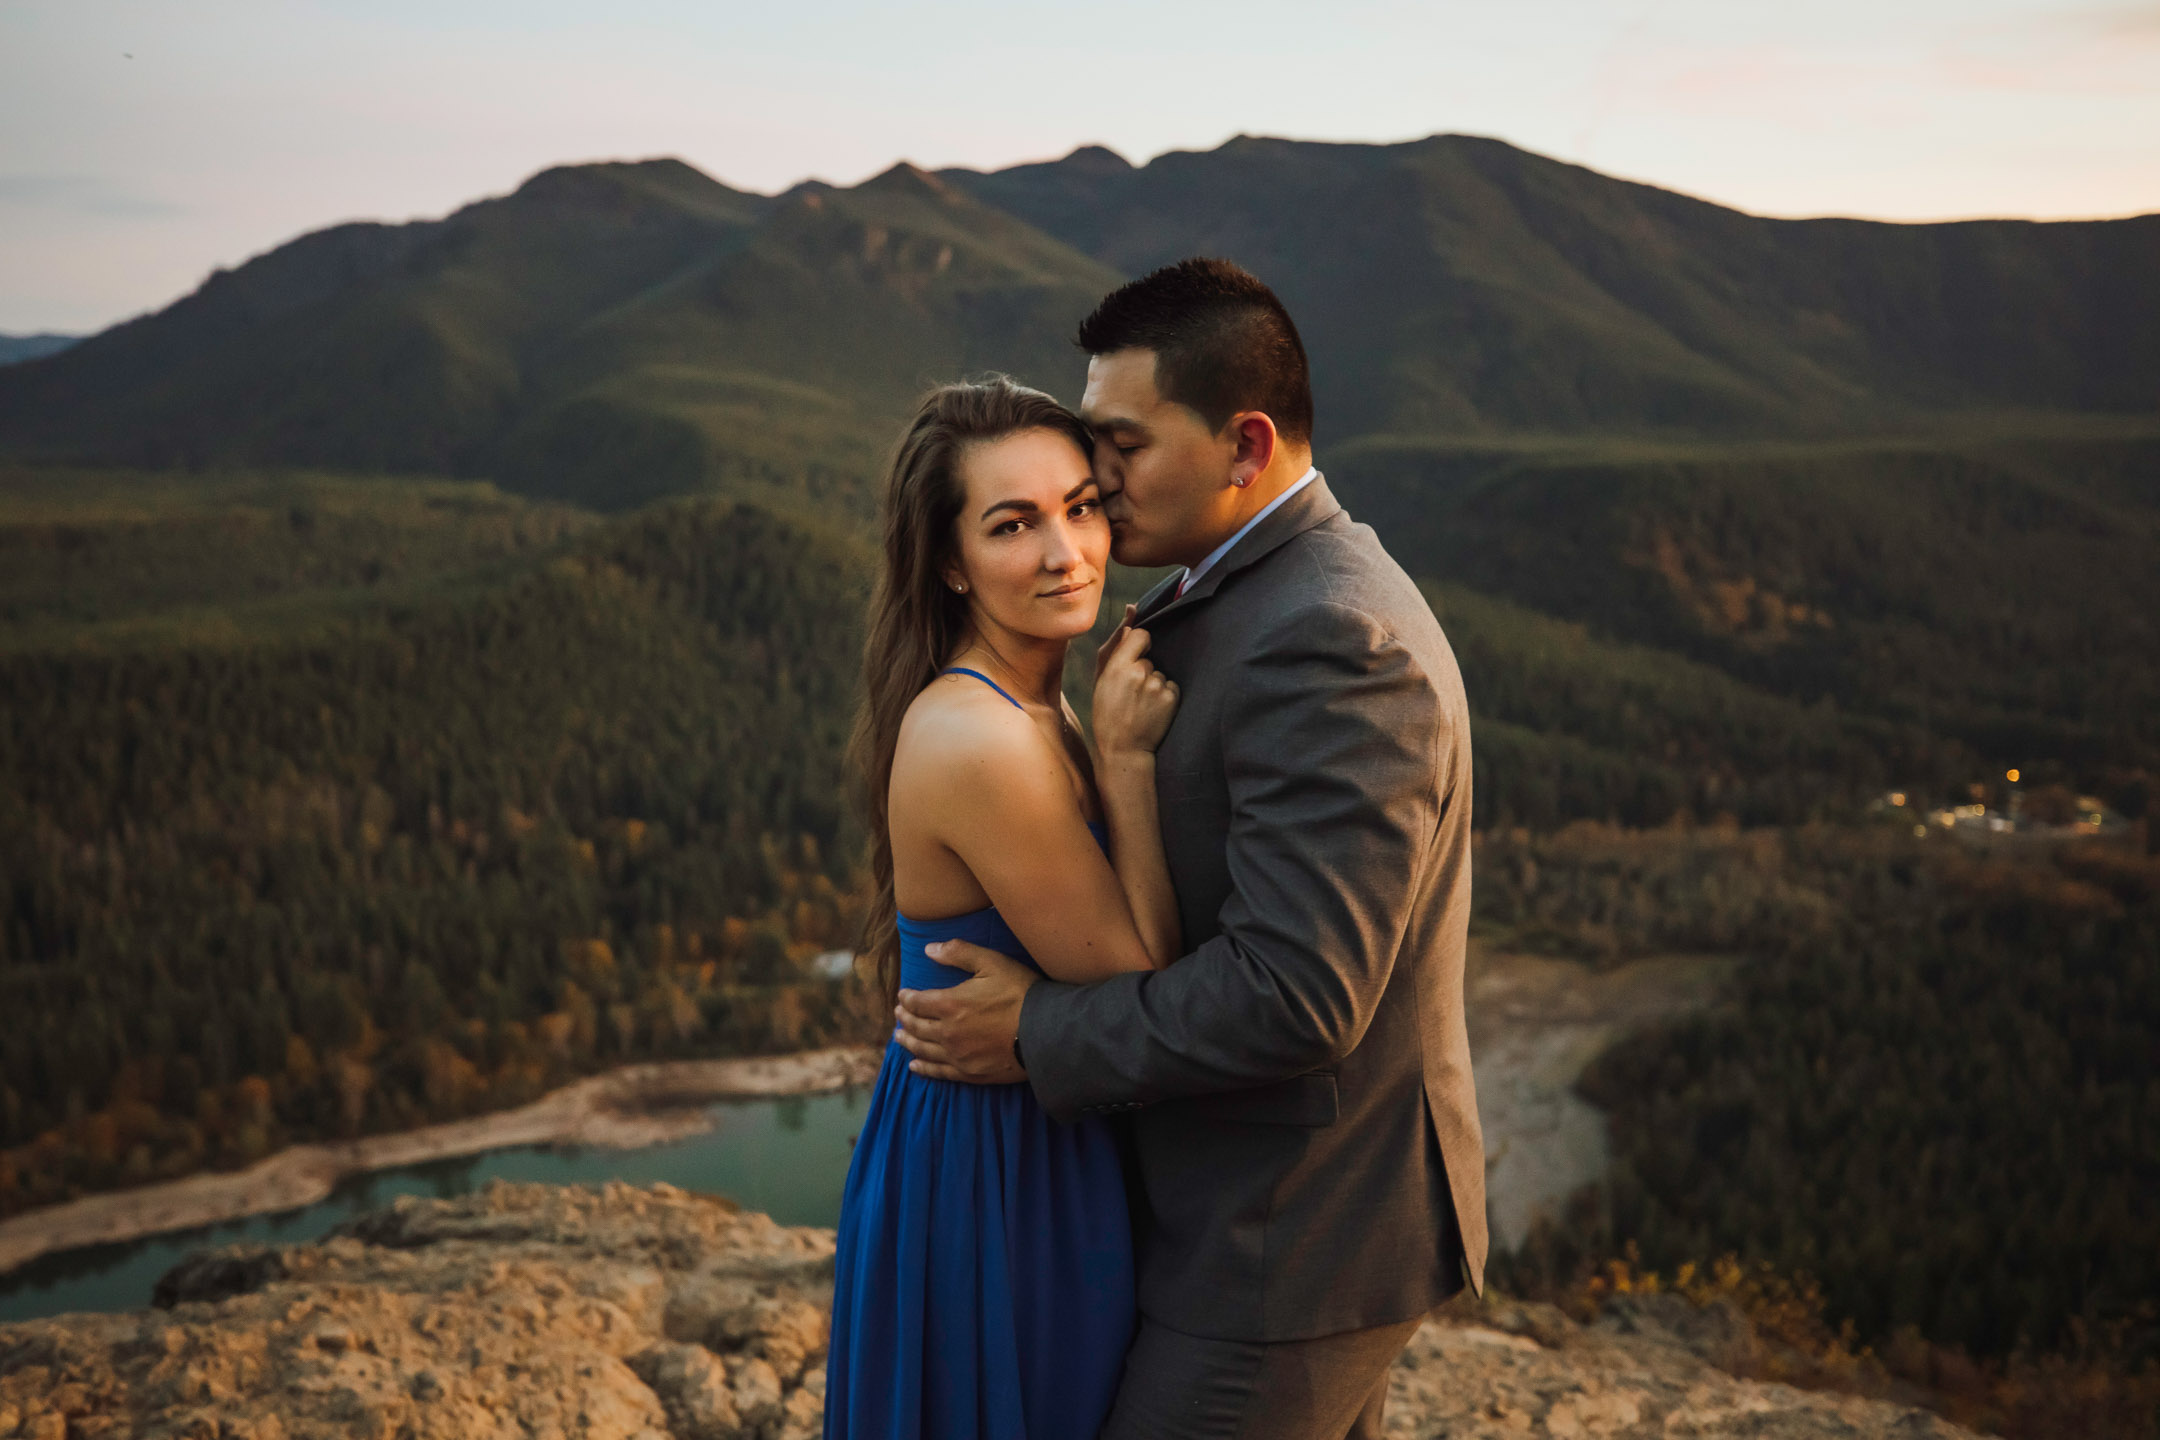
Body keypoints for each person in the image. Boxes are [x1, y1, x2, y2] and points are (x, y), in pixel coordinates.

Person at [894, 259, 1487, 1440]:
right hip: (1256, 1221)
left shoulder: (1329, 633)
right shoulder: (1242, 595)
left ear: (1244, 444)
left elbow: (1299, 993)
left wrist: (1036, 1032)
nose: (1096, 487)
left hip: (1289, 1237)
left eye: (1120, 447)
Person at [823, 377, 1186, 1440]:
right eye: (1012, 525)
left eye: (1080, 507)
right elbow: (1137, 985)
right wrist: (1124, 760)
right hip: (993, 1172)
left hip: (1023, 1137)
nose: (1064, 553)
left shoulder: (1028, 698)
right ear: (950, 562)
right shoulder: (981, 738)